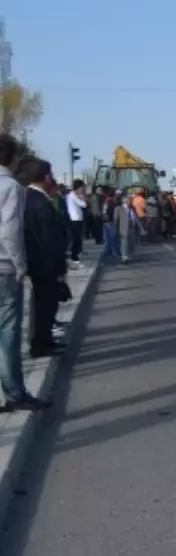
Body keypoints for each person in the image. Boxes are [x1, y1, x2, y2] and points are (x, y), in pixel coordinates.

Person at [0, 139, 47, 412]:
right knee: (8, 333)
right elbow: (9, 231)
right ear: (13, 158)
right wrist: (20, 265)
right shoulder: (10, 187)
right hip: (4, 267)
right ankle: (15, 393)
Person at [20, 158, 67, 359]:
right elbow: (50, 239)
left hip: (36, 260)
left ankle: (43, 340)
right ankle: (40, 344)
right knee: (45, 304)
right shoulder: (41, 203)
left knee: (42, 304)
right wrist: (59, 267)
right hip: (46, 262)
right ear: (45, 176)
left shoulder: (26, 197)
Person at [66, 179, 88, 265]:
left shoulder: (73, 195)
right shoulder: (72, 195)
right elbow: (84, 204)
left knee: (78, 239)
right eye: (82, 187)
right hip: (75, 219)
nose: (82, 189)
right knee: (76, 239)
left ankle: (76, 255)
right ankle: (74, 257)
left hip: (78, 218)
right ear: (78, 187)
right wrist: (82, 197)